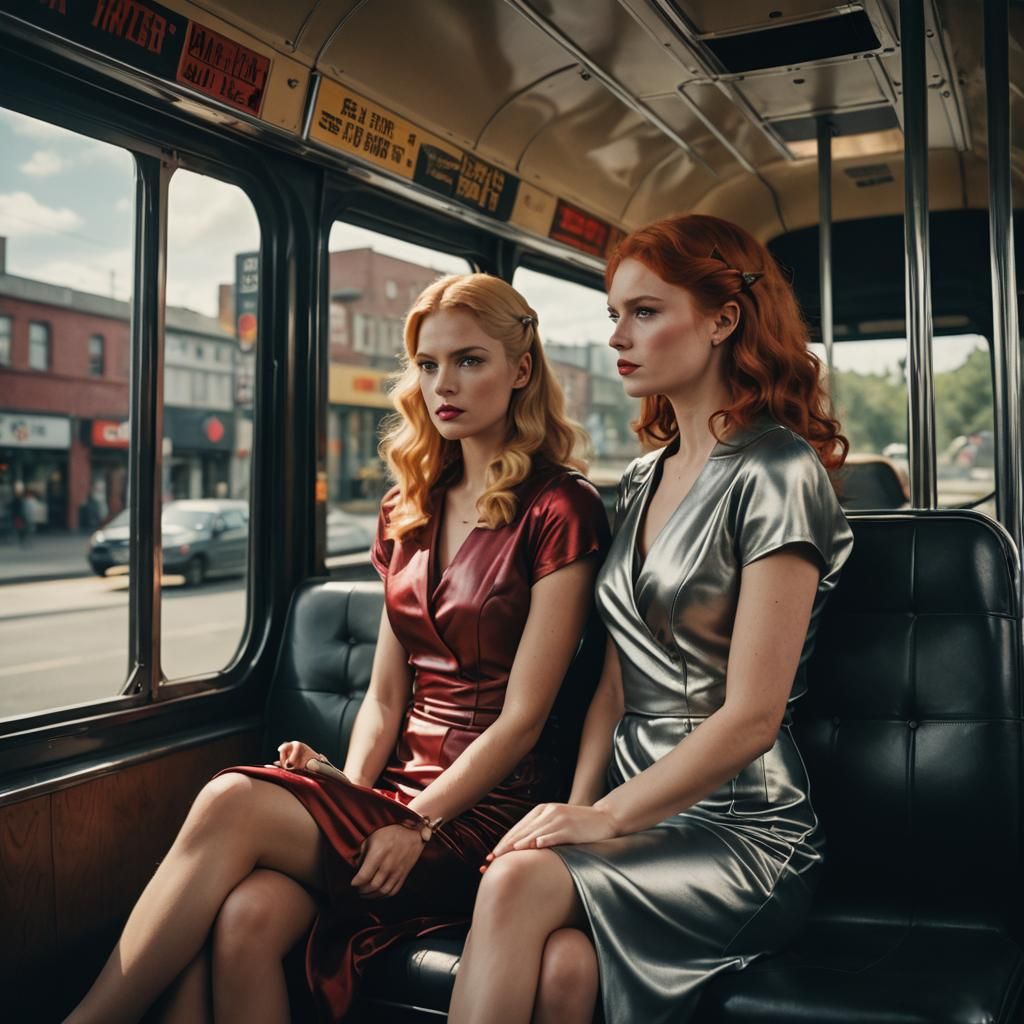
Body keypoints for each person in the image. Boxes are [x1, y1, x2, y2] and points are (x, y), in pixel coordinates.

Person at [65, 273, 609, 1024]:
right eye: (427, 363)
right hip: (390, 798)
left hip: (486, 815)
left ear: (521, 370)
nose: (442, 384)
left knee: (230, 798)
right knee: (246, 914)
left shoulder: (562, 506)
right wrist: (346, 798)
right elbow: (386, 698)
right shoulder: (407, 505)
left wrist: (417, 821)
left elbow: (522, 717)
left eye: (469, 361)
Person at [448, 215, 854, 1024]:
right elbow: (613, 684)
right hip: (636, 816)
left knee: (516, 879)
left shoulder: (779, 470)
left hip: (743, 828)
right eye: (613, 315)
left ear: (721, 319)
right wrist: (576, 808)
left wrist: (598, 820)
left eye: (644, 312)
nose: (617, 337)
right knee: (563, 967)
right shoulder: (636, 482)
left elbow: (752, 717)